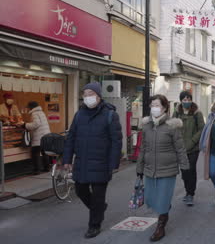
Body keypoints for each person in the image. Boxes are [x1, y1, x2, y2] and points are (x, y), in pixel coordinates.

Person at [63, 82, 123, 239]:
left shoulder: (110, 115)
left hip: (101, 163)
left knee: (97, 195)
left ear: (98, 96)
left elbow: (116, 141)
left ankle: (94, 225)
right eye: (85, 94)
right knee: (80, 190)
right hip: (82, 161)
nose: (87, 97)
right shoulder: (79, 114)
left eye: (91, 94)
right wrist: (67, 159)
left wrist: (114, 163)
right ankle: (99, 208)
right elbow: (71, 137)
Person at [136, 94, 189, 242]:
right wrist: (139, 167)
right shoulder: (146, 126)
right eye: (152, 105)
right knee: (151, 199)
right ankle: (164, 206)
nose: (154, 108)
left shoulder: (172, 126)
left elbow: (180, 148)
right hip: (149, 169)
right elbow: (143, 148)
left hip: (168, 169)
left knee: (162, 202)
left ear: (164, 107)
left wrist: (185, 166)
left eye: (157, 105)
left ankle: (161, 227)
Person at [172, 91, 205, 206]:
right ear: (181, 100)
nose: (186, 102)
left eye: (188, 99)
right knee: (184, 171)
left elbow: (202, 129)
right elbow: (172, 127)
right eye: (184, 100)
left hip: (193, 148)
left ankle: (190, 193)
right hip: (180, 147)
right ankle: (187, 191)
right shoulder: (176, 113)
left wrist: (192, 141)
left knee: (191, 170)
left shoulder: (197, 113)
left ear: (191, 100)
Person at [23, 101, 51, 174]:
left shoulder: (34, 114)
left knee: (35, 153)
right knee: (44, 152)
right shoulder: (41, 112)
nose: (28, 109)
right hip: (45, 135)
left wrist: (25, 125)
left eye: (28, 107)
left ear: (31, 107)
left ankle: (36, 170)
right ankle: (47, 168)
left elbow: (36, 124)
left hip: (39, 136)